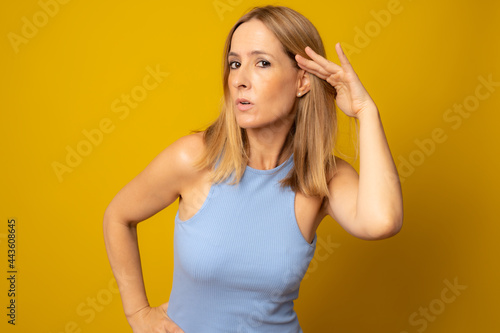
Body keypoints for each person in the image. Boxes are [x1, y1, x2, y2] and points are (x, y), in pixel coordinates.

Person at [103, 5, 403, 333]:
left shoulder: (322, 177)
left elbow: (382, 222)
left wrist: (365, 111)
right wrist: (138, 314)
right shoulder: (195, 158)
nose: (240, 80)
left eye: (262, 63)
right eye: (235, 64)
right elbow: (118, 216)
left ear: (302, 80)